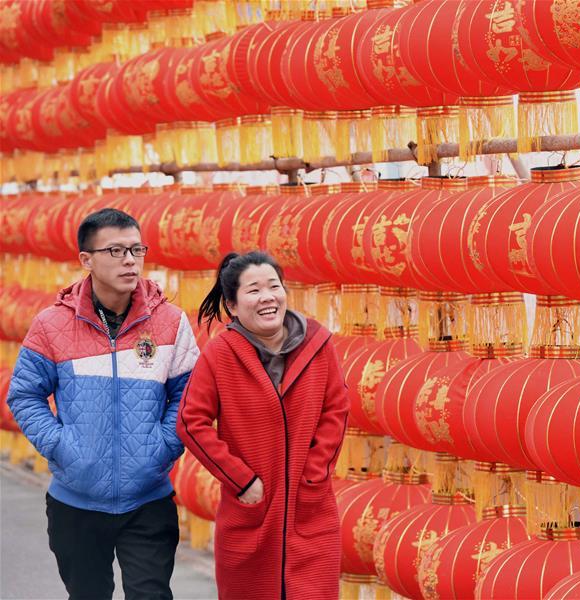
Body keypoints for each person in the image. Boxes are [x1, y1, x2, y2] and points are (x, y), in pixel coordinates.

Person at [7, 207, 199, 600]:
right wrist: (63, 448)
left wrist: (160, 449)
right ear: (86, 260)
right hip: (75, 501)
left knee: (151, 595)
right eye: (115, 251)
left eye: (136, 250)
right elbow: (24, 395)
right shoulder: (51, 325)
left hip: (148, 498)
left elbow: (189, 396)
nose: (129, 260)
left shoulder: (171, 323)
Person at [177, 251, 349, 600]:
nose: (268, 297)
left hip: (311, 513)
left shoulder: (318, 345)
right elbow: (191, 421)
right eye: (254, 290)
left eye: (274, 286)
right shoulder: (221, 352)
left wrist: (313, 475)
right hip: (251, 515)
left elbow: (336, 409)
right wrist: (241, 480)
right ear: (233, 305)